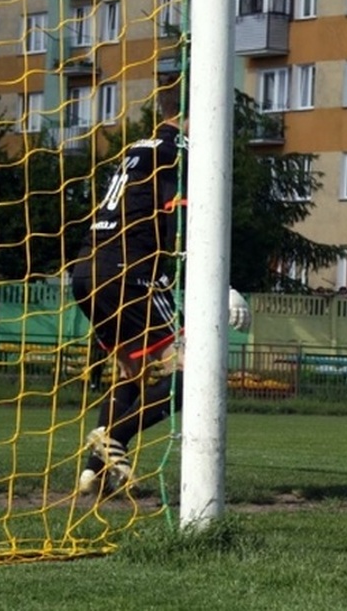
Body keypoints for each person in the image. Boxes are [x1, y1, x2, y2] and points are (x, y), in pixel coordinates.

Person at [70, 92, 252, 494]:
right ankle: (114, 436)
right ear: (195, 112)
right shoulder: (180, 151)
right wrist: (220, 286)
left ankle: (93, 473)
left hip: (87, 268)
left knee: (130, 373)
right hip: (130, 272)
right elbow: (182, 221)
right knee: (195, 369)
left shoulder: (138, 147)